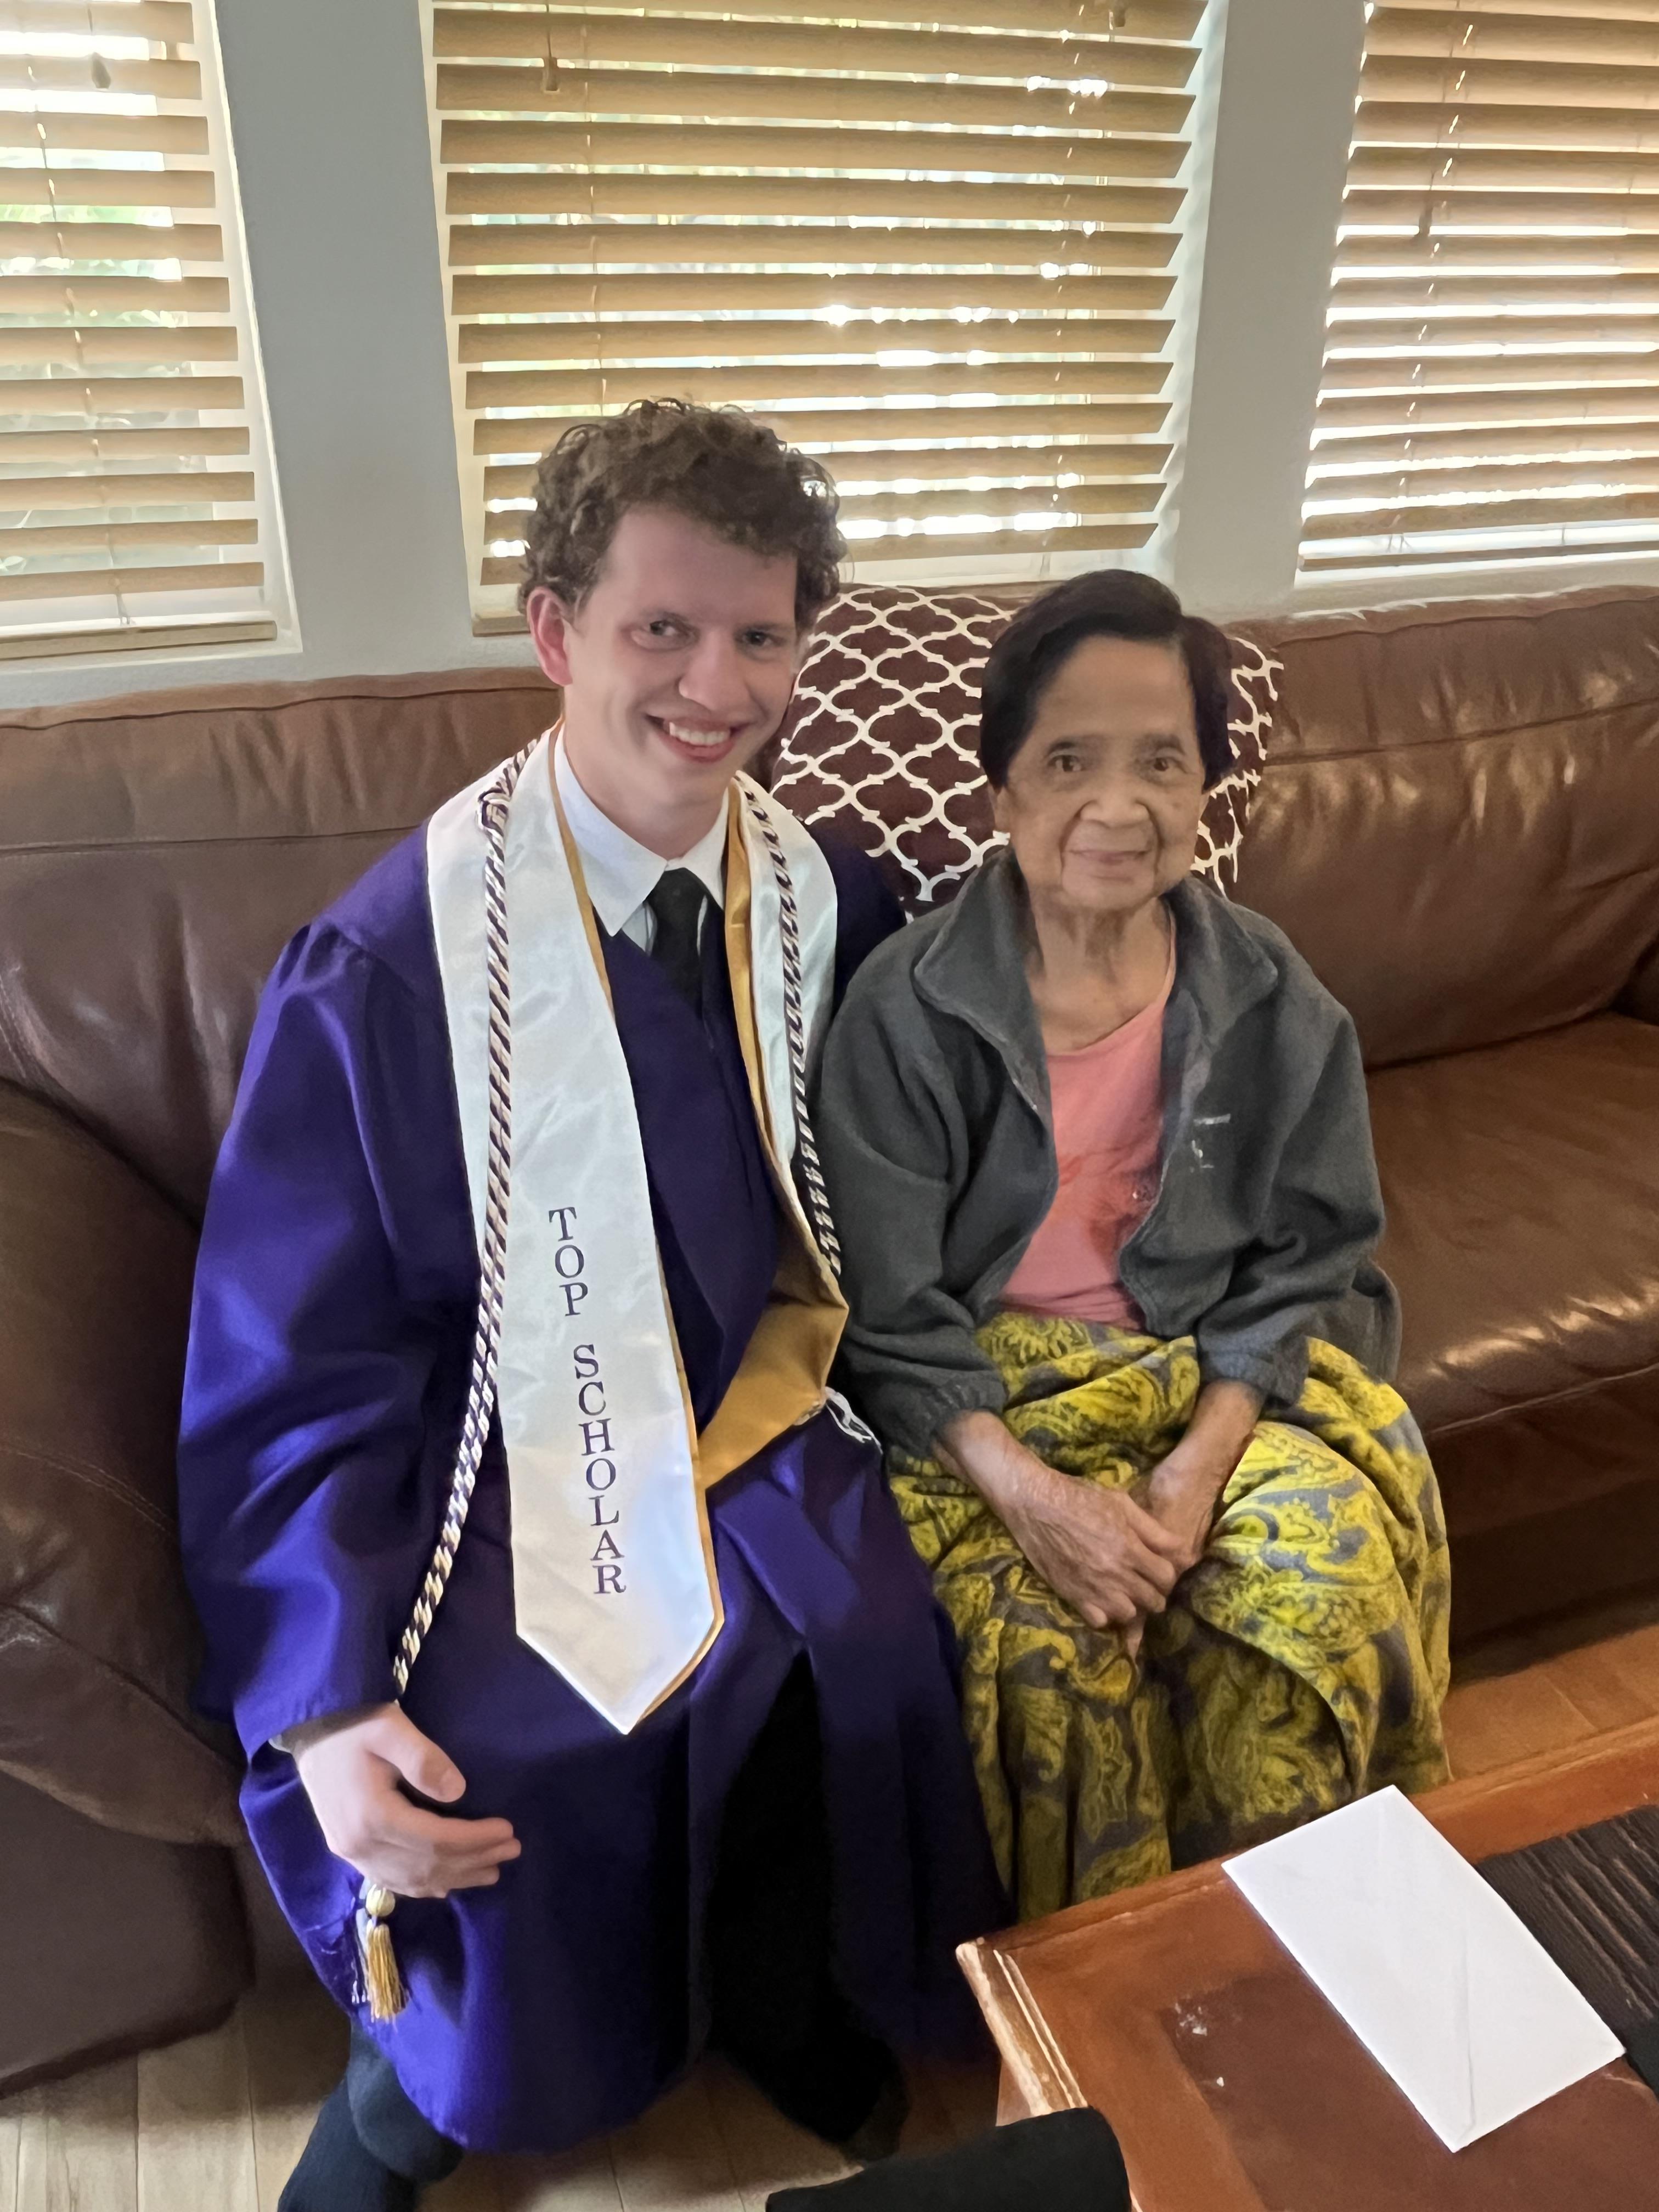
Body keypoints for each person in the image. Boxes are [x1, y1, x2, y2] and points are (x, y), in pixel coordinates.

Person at [177, 399, 1002, 2210]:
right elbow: (293, 1353)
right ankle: (423, 2097)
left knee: (862, 1638)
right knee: (527, 1723)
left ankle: (783, 1991)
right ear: (555, 631)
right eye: (662, 629)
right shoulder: (392, 964)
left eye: (762, 635)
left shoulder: (815, 895)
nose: (717, 685)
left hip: (754, 1412)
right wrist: (318, 1701)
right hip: (481, 1446)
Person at [815, 569, 1451, 1925]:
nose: (1119, 804)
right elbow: (885, 1313)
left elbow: (1311, 1256)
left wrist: (1191, 1476)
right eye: (1068, 761)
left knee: (1321, 1581)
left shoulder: (1270, 993)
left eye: (1162, 760)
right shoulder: (905, 1009)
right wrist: (1040, 1504)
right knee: (1055, 1656)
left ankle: (1308, 1961)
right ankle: (1105, 2016)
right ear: (1003, 797)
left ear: (1206, 787)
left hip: (1207, 1378)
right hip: (984, 1415)